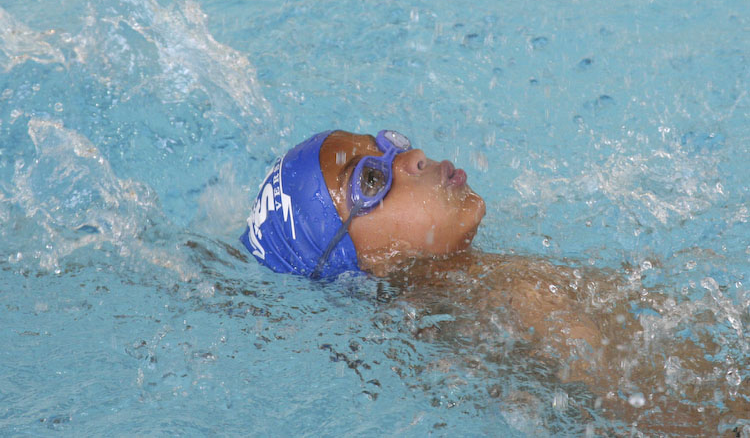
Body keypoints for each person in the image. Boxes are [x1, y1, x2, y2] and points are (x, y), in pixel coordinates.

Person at [240, 130, 748, 436]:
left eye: (386, 146)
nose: (412, 157)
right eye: (370, 179)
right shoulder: (517, 301)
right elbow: (667, 418)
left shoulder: (467, 308)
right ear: (366, 263)